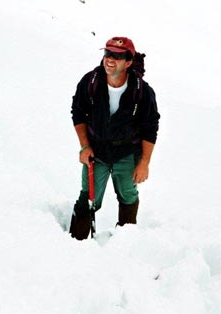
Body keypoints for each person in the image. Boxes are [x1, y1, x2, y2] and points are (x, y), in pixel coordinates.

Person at [69, 36, 160, 240]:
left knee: (128, 195)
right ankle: (76, 242)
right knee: (89, 197)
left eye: (117, 56)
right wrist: (85, 147)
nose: (110, 59)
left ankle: (125, 243)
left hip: (126, 153)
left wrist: (144, 163)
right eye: (107, 54)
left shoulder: (142, 91)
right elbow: (78, 113)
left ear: (129, 62)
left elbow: (150, 127)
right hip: (97, 151)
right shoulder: (90, 82)